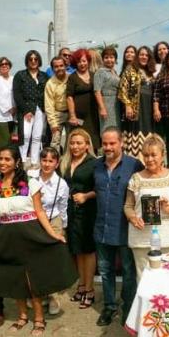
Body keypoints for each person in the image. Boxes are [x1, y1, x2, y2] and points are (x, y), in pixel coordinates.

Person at [0, 146, 77, 337]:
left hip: (30, 235)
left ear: (16, 162)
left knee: (32, 278)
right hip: (6, 237)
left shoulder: (30, 184)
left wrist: (53, 235)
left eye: (7, 159)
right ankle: (22, 316)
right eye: (0, 159)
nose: (3, 163)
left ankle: (39, 318)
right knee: (15, 277)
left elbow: (39, 211)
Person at [93, 127, 144, 326]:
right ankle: (109, 307)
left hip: (125, 228)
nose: (108, 147)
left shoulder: (134, 165)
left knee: (129, 272)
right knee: (105, 271)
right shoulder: (96, 166)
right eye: (105, 143)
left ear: (121, 142)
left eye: (112, 143)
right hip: (102, 228)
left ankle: (128, 308)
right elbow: (92, 190)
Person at [124, 135, 169, 278]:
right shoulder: (135, 178)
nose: (149, 159)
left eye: (153, 155)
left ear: (162, 155)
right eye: (146, 155)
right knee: (144, 280)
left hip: (168, 237)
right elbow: (128, 206)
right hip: (141, 239)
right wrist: (133, 218)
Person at [31, 147, 70, 315]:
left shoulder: (61, 184)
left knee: (51, 259)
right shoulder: (31, 177)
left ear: (57, 163)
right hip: (34, 219)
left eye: (50, 161)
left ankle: (53, 295)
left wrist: (62, 228)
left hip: (53, 220)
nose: (47, 164)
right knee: (36, 258)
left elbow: (63, 208)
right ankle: (39, 294)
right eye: (44, 160)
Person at [61, 128, 98, 309]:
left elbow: (100, 188)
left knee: (88, 250)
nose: (75, 146)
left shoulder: (94, 163)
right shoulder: (65, 162)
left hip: (88, 210)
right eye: (72, 142)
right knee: (77, 250)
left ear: (87, 145)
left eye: (79, 143)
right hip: (70, 211)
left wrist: (87, 195)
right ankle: (81, 285)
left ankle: (90, 289)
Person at [119, 45, 155, 160]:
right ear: (137, 56)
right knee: (135, 134)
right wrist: (128, 106)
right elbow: (122, 89)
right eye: (141, 55)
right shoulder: (130, 69)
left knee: (148, 131)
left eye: (146, 55)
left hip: (149, 109)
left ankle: (148, 160)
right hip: (136, 108)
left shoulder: (150, 73)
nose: (144, 57)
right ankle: (135, 161)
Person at [14, 50, 49, 168]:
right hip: (26, 109)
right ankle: (23, 161)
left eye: (36, 59)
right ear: (27, 61)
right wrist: (25, 110)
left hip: (40, 109)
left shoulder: (44, 75)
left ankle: (34, 162)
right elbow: (17, 94)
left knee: (37, 136)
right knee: (25, 135)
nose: (33, 61)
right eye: (31, 59)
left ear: (39, 60)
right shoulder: (20, 75)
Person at [67, 49, 101, 150]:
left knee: (93, 142)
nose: (82, 64)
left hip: (93, 116)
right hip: (79, 118)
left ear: (88, 61)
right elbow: (69, 97)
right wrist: (72, 116)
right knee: (80, 141)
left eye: (84, 61)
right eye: (79, 62)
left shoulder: (94, 75)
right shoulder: (72, 77)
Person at [0, 57, 16, 152]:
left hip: (13, 115)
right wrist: (9, 109)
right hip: (0, 116)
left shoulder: (13, 79)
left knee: (12, 142)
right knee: (3, 143)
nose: (4, 66)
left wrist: (15, 108)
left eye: (6, 64)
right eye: (2, 64)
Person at [45, 55, 69, 151]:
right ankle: (55, 164)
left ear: (65, 66)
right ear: (53, 68)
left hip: (71, 113)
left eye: (61, 65)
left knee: (72, 140)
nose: (59, 68)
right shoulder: (50, 84)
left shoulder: (71, 78)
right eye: (56, 66)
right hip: (57, 114)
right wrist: (53, 124)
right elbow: (49, 105)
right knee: (55, 142)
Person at [94, 47, 121, 133]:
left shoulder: (115, 73)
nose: (109, 60)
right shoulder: (100, 72)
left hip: (116, 105)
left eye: (111, 57)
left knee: (116, 131)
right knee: (107, 130)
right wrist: (102, 108)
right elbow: (97, 91)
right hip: (107, 104)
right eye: (106, 57)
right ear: (102, 59)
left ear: (115, 59)